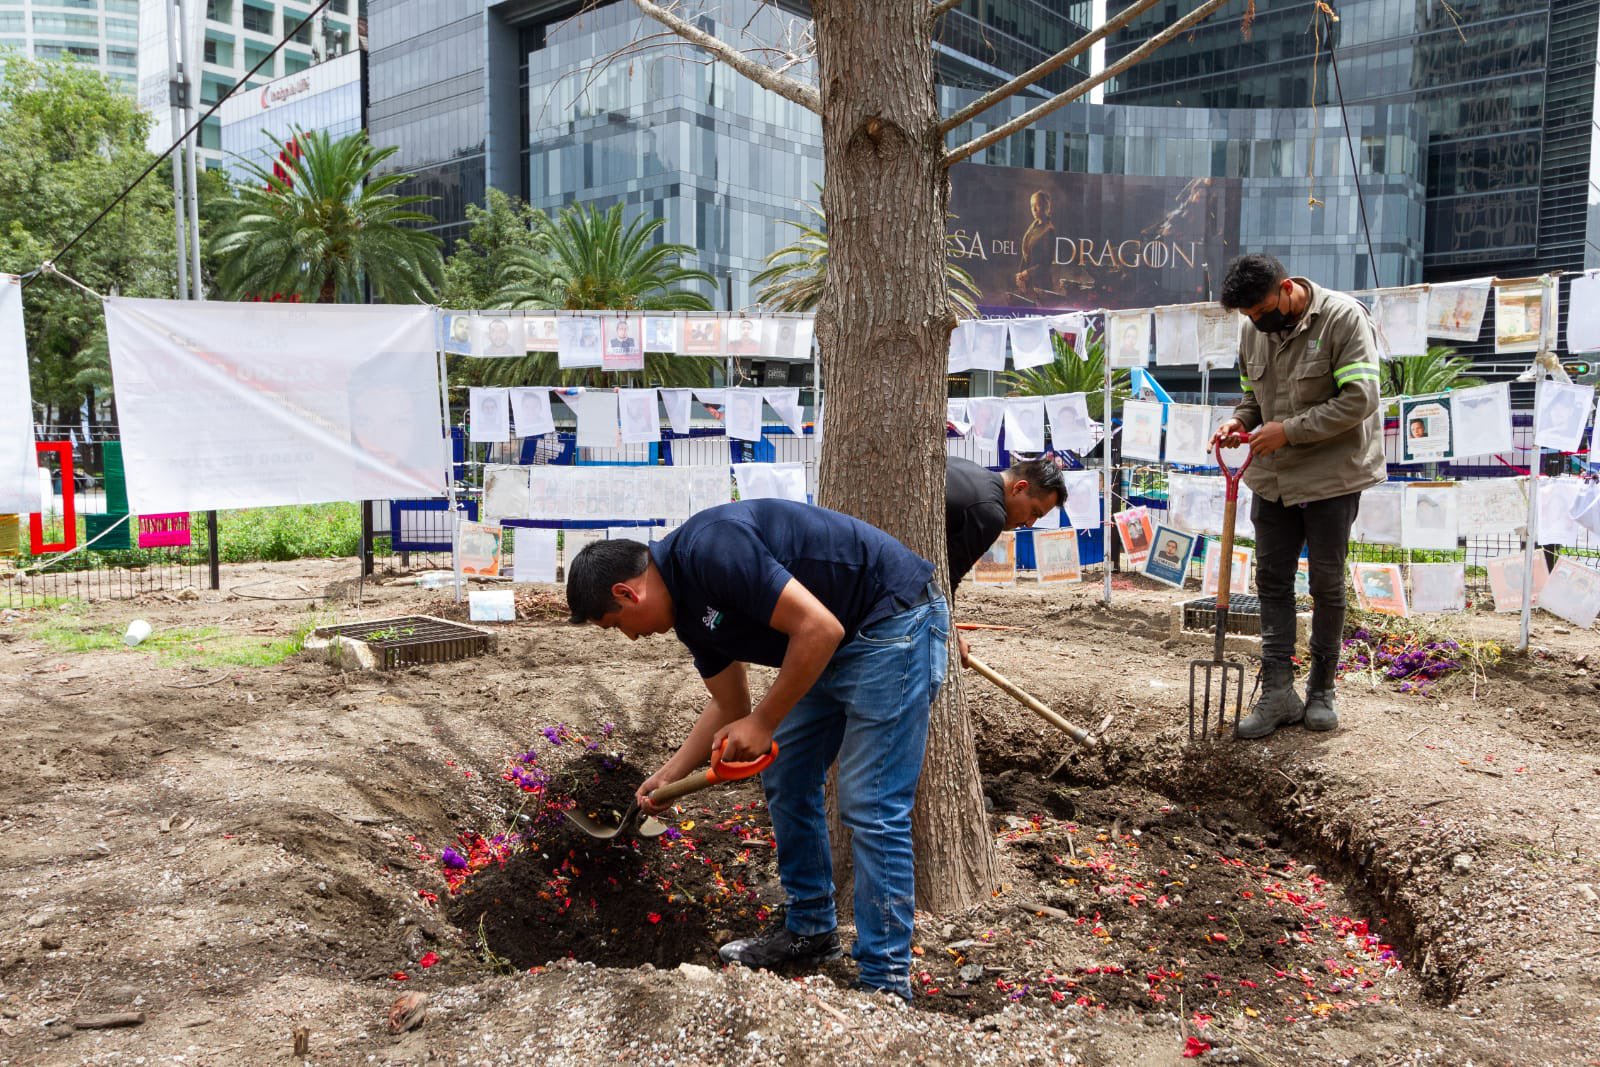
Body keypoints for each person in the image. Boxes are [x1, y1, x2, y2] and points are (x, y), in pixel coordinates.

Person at [566, 499, 947, 1001]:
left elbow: (820, 628)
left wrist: (765, 722)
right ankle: (810, 931)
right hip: (833, 644)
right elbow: (731, 703)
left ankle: (884, 981)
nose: (632, 637)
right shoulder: (687, 616)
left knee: (871, 805)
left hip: (892, 621)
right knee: (787, 776)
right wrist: (671, 775)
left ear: (626, 593)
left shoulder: (713, 548)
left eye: (617, 625)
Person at [1212, 253, 1384, 739]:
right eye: (1248, 316)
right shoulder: (1253, 329)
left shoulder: (1343, 319)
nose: (1257, 322)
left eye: (1262, 310)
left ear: (1286, 289)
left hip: (1332, 477)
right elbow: (1252, 396)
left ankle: (1322, 691)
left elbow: (1359, 400)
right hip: (1273, 478)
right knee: (1271, 581)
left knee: (1327, 585)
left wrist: (1288, 431)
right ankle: (1279, 693)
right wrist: (1239, 422)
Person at [945, 454, 1066, 662]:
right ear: (1019, 487)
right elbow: (945, 579)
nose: (1030, 523)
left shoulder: (965, 466)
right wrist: (950, 635)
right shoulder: (990, 512)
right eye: (1034, 512)